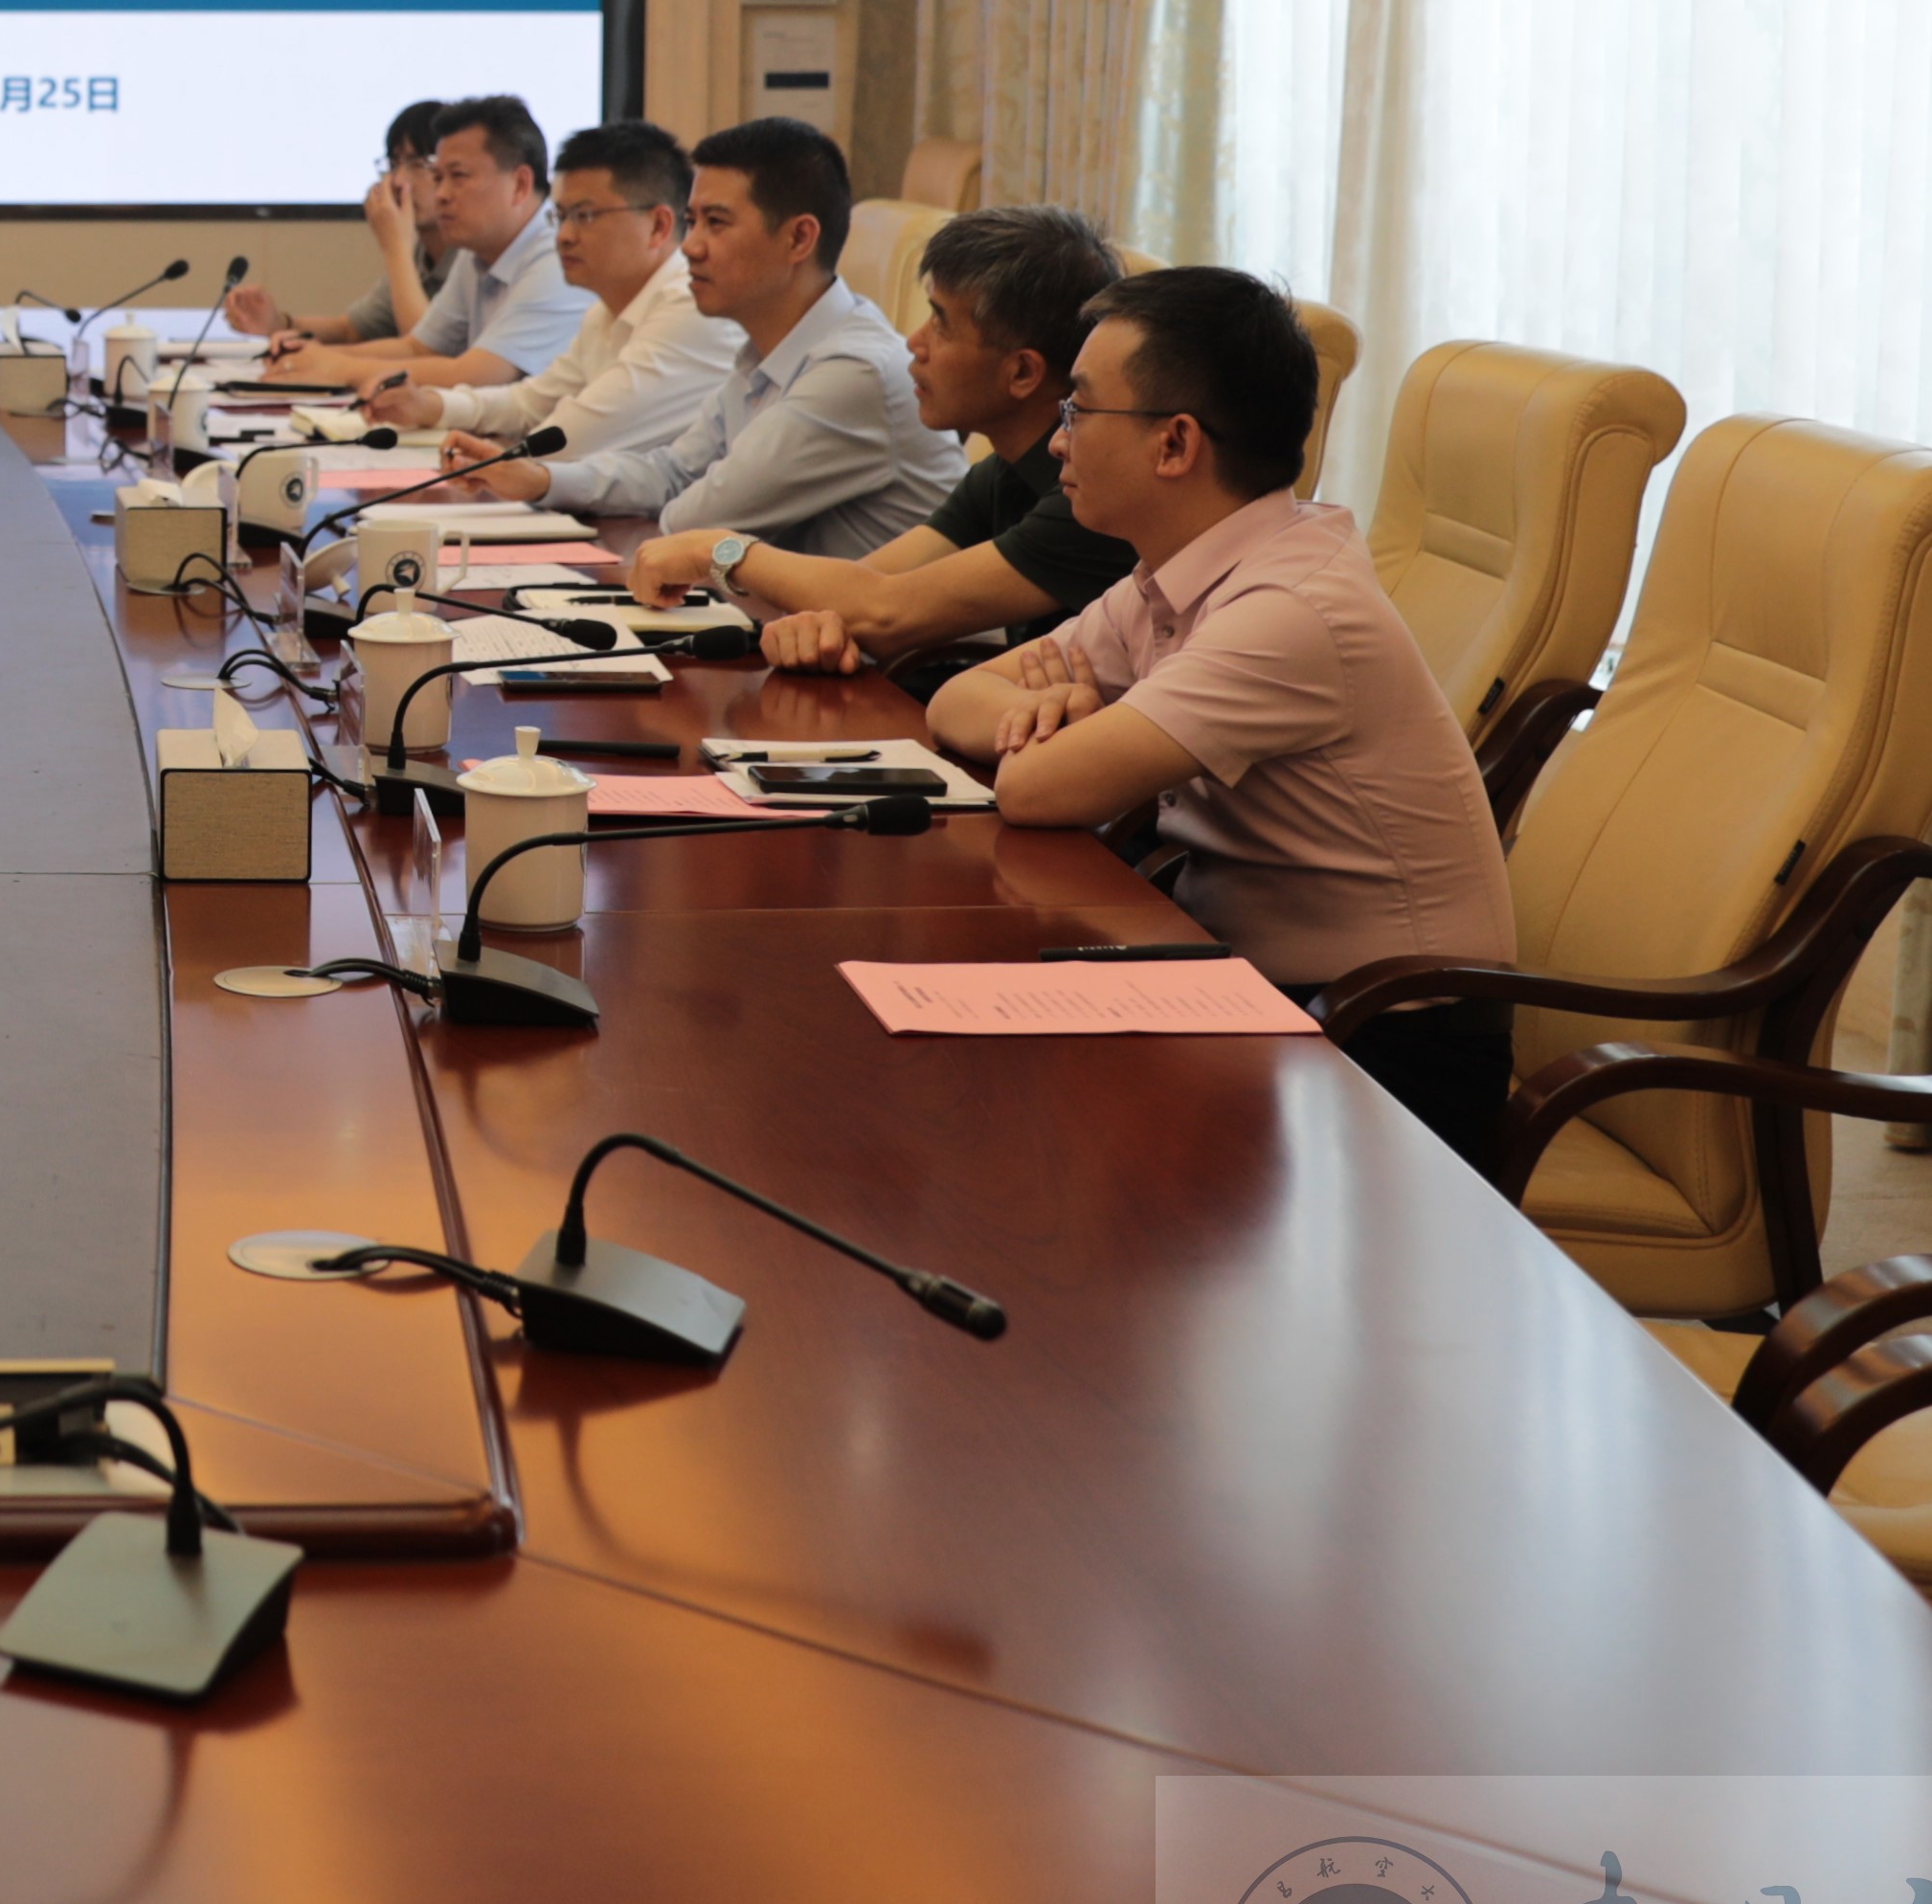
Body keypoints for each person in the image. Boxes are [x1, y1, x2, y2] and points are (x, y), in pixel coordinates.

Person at [924, 264, 1519, 1140]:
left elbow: (1035, 790)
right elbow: (954, 701)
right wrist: (1051, 721)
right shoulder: (1181, 569)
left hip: (1382, 1050)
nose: (1055, 443)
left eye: (1077, 411)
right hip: (1253, 990)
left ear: (1174, 444)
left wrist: (1064, 729)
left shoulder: (1289, 610)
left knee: (999, 1118)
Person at [474, 115, 937, 572]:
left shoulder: (853, 371)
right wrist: (542, 480)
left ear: (799, 238)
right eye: (692, 221)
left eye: (715, 223)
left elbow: (697, 519)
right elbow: (674, 471)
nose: (690, 247)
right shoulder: (764, 351)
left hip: (872, 626)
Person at [734, 205, 1134, 673]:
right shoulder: (1007, 471)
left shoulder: (1092, 499)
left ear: (1023, 372)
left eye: (941, 324)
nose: (914, 342)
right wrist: (818, 623)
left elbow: (884, 612)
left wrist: (717, 551)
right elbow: (864, 588)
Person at [370, 117, 732, 472]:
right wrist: (431, 405)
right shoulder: (605, 312)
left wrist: (493, 459)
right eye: (560, 216)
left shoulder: (689, 308)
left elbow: (575, 439)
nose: (565, 236)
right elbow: (529, 402)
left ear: (658, 226)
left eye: (585, 215)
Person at [274, 94, 582, 392]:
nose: (442, 194)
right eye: (437, 178)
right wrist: (312, 355)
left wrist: (338, 368)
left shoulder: (556, 259)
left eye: (458, 176)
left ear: (520, 184)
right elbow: (419, 348)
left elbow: (478, 374)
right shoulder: (477, 254)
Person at [226, 98, 452, 347]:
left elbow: (426, 348)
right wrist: (277, 324)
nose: (398, 181)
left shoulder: (469, 257)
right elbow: (351, 329)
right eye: (394, 164)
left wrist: (395, 249)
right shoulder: (418, 253)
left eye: (418, 164)